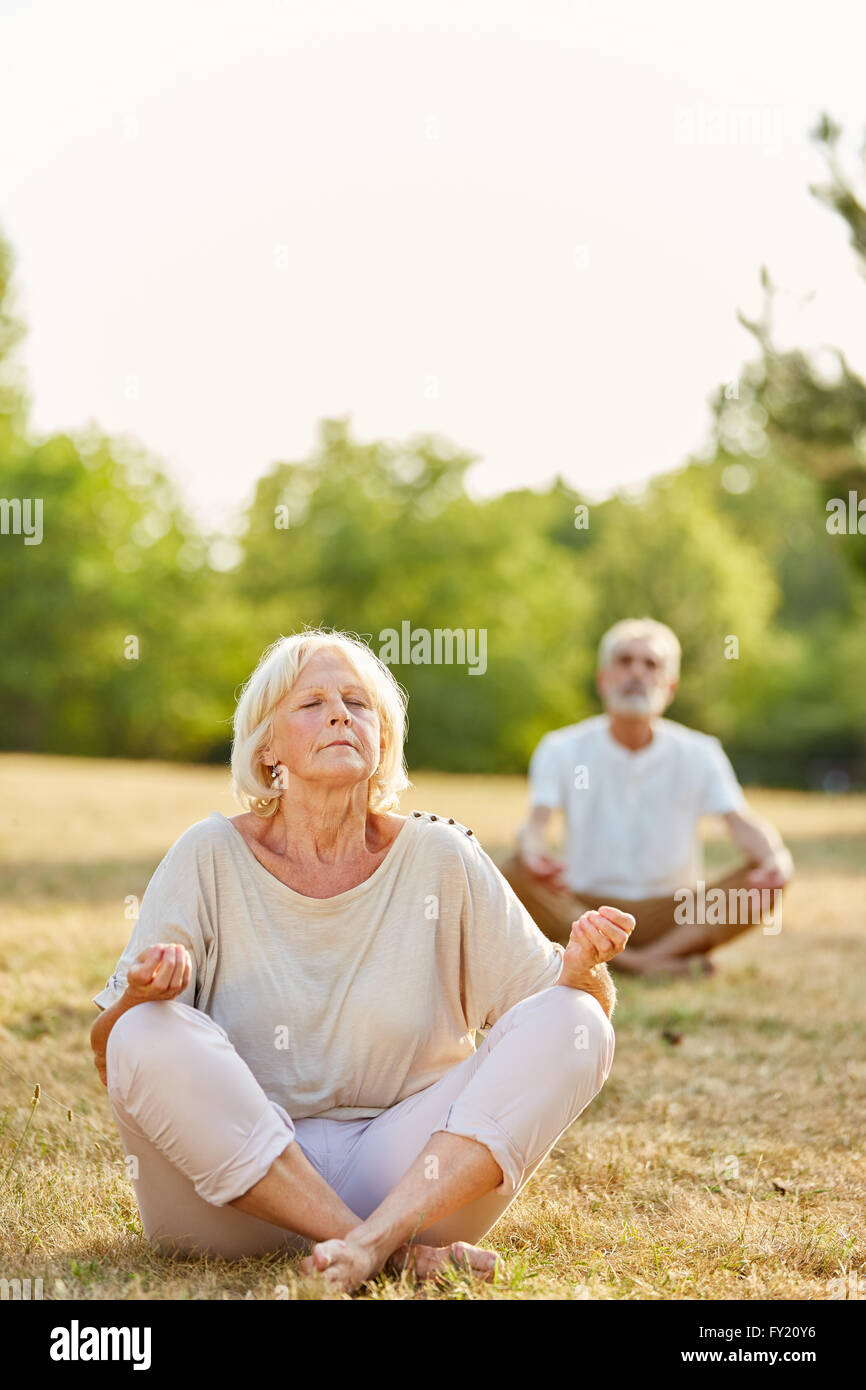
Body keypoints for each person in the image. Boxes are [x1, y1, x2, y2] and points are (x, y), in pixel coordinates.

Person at [90, 628, 634, 1293]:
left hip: (405, 1183)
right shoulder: (207, 855)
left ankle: (370, 1241)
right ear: (267, 750)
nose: (341, 714)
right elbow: (109, 1049)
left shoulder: (440, 855)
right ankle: (391, 1253)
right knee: (143, 1029)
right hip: (229, 1203)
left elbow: (569, 1014)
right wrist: (139, 997)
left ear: (382, 741)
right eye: (312, 703)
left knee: (576, 1019)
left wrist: (584, 966)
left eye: (358, 702)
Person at [500, 618, 794, 979]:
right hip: (585, 910)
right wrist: (532, 851)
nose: (636, 672)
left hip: (673, 914)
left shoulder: (700, 752)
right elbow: (536, 823)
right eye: (624, 661)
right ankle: (645, 966)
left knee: (761, 881)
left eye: (651, 664)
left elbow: (739, 821)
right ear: (603, 679)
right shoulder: (561, 748)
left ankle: (640, 959)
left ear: (669, 686)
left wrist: (774, 856)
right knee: (512, 872)